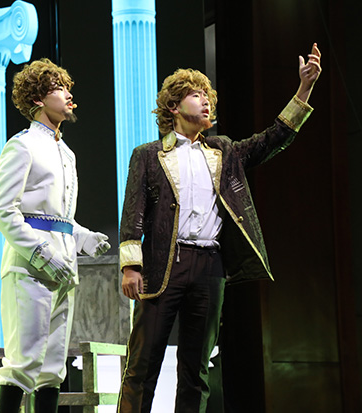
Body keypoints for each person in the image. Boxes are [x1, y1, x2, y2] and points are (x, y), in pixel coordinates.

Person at [116, 43, 322, 412]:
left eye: (208, 96)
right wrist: (131, 266)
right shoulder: (148, 155)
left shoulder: (223, 150)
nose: (206, 102)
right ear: (174, 107)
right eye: (196, 95)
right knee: (142, 364)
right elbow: (134, 211)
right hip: (164, 264)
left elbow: (272, 139)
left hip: (209, 266)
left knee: (196, 369)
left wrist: (304, 88)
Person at [0, 58, 111, 413]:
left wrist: (82, 237)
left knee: (52, 370)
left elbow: (57, 217)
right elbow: (3, 210)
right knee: (22, 363)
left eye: (68, 87)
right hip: (30, 269)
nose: (69, 94)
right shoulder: (23, 145)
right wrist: (41, 253)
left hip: (64, 269)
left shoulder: (66, 152)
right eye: (60, 88)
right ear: (38, 99)